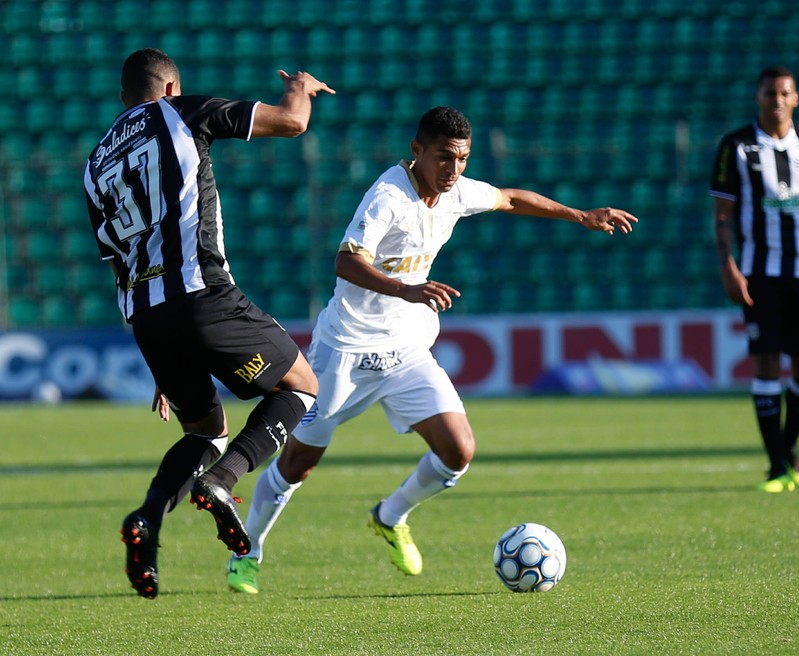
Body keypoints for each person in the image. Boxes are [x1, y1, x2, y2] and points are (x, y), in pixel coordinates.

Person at [226, 106, 639, 594]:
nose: (454, 169)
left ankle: (389, 515)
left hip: (405, 349)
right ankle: (247, 550)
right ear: (417, 151)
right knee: (298, 464)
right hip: (345, 351)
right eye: (444, 157)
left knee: (458, 450)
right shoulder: (387, 197)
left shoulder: (456, 191)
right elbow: (345, 261)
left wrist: (580, 215)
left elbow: (510, 198)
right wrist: (405, 289)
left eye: (462, 159)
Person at [83, 48, 333, 599]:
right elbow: (291, 123)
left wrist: (160, 359)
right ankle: (221, 483)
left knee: (205, 430)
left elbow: (118, 264)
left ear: (124, 98)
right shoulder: (181, 112)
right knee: (305, 387)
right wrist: (302, 87)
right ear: (170, 88)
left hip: (147, 315)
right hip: (203, 295)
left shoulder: (96, 162)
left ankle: (148, 519)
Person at [710, 66, 799, 494]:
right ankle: (776, 467)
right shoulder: (737, 146)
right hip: (758, 273)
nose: (777, 100)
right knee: (766, 360)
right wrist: (728, 264)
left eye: (784, 93)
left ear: (795, 98)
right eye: (769, 93)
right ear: (758, 97)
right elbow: (723, 215)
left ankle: (789, 449)